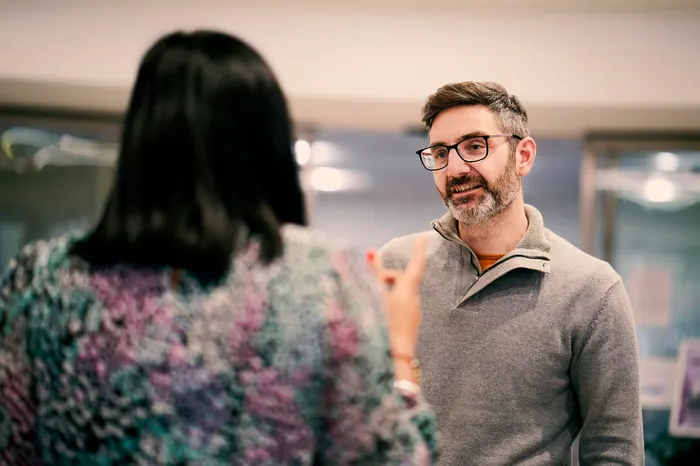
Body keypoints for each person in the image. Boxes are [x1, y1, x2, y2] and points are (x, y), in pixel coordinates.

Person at [0, 30, 439, 465]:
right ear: (268, 144)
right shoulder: (327, 279)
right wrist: (399, 348)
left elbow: (12, 447)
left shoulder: (39, 280)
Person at [378, 81, 643, 465]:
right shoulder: (398, 266)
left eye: (474, 146)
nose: (454, 169)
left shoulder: (592, 290)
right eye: (439, 153)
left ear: (523, 155)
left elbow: (614, 449)